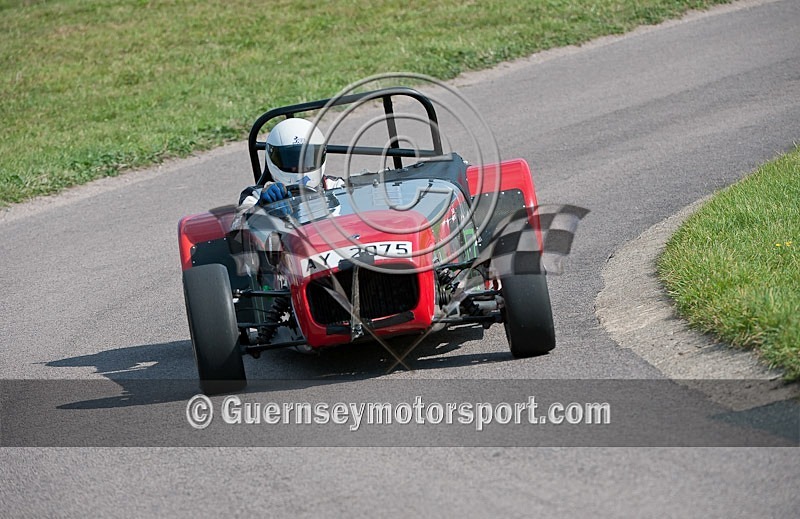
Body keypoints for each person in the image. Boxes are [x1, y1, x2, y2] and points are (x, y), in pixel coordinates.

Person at [237, 118, 342, 212]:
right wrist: (261, 208)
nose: (300, 167)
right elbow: (237, 226)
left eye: (307, 159)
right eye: (291, 159)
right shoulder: (255, 196)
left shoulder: (336, 186)